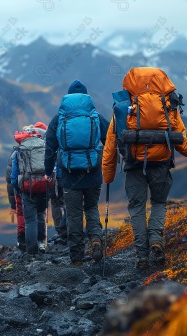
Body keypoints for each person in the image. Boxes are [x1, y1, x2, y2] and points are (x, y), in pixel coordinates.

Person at [102, 68, 187, 270]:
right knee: (159, 203)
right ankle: (156, 241)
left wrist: (108, 175)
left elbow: (111, 143)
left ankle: (142, 257)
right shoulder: (168, 104)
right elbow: (181, 139)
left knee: (136, 208)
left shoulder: (125, 106)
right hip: (161, 165)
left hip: (134, 165)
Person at [44, 80, 109, 265]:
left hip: (69, 174)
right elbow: (110, 139)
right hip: (93, 172)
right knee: (91, 208)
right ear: (86, 97)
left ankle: (77, 257)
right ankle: (96, 240)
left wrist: (48, 171)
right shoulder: (95, 116)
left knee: (73, 214)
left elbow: (50, 146)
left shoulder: (59, 119)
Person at [11, 122, 49, 254]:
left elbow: (14, 175)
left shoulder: (21, 149)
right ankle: (42, 244)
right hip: (44, 186)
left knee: (30, 220)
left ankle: (32, 251)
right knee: (40, 215)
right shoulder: (44, 145)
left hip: (27, 189)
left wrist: (19, 189)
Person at [6, 147, 26, 251]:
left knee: (21, 214)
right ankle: (39, 241)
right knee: (38, 214)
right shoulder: (42, 149)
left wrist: (13, 204)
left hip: (20, 190)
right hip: (38, 189)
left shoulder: (16, 153)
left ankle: (22, 242)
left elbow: (11, 180)